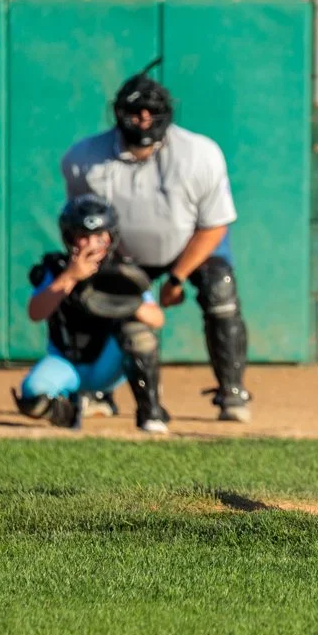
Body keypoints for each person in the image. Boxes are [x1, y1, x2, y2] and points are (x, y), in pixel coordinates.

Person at [62, 72, 252, 422]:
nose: (143, 121)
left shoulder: (199, 154)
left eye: (152, 112)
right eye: (136, 113)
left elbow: (214, 227)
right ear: (118, 114)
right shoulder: (84, 158)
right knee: (95, 297)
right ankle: (98, 388)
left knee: (219, 288)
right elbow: (82, 225)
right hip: (123, 252)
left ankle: (232, 391)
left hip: (190, 247)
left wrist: (177, 278)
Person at [14, 195, 169, 433]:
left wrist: (127, 305)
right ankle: (68, 412)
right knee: (32, 398)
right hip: (66, 362)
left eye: (99, 236)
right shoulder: (55, 269)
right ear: (70, 238)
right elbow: (35, 312)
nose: (92, 244)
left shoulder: (122, 273)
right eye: (83, 237)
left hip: (106, 365)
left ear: (111, 236)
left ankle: (151, 413)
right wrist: (70, 277)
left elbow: (157, 319)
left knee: (138, 333)